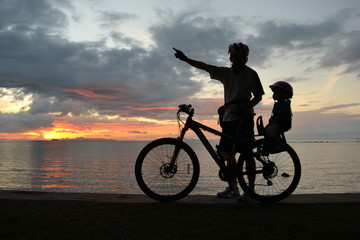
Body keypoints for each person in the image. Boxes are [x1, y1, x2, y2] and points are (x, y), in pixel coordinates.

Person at [173, 43, 264, 199]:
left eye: (243, 58)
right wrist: (185, 59)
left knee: (247, 154)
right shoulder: (226, 73)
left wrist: (246, 107)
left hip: (244, 119)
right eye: (236, 57)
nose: (239, 60)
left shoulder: (251, 74)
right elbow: (205, 66)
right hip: (228, 118)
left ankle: (250, 189)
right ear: (231, 58)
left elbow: (258, 96)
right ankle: (233, 188)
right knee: (228, 154)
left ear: (246, 59)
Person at [265, 81, 293, 152]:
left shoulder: (284, 104)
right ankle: (269, 145)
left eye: (276, 92)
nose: (274, 95)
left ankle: (280, 144)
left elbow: (279, 115)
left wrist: (272, 122)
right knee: (265, 130)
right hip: (277, 123)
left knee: (269, 130)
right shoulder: (277, 104)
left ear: (284, 94)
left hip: (282, 124)